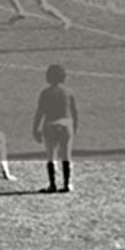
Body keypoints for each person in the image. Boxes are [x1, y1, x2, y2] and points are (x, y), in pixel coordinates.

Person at [33, 64, 79, 193]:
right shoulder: (68, 92)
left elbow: (40, 112)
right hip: (66, 125)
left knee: (51, 156)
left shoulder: (45, 93)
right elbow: (74, 112)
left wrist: (35, 128)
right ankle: (67, 184)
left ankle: (52, 184)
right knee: (66, 155)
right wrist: (75, 127)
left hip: (50, 125)